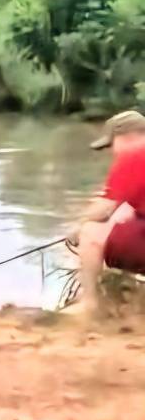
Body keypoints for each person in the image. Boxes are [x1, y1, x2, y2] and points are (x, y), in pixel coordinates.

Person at [67, 110, 145, 314]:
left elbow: (105, 205)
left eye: (112, 145)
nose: (112, 152)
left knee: (91, 233)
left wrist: (79, 226)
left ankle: (90, 303)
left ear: (128, 137)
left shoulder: (135, 155)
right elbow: (126, 209)